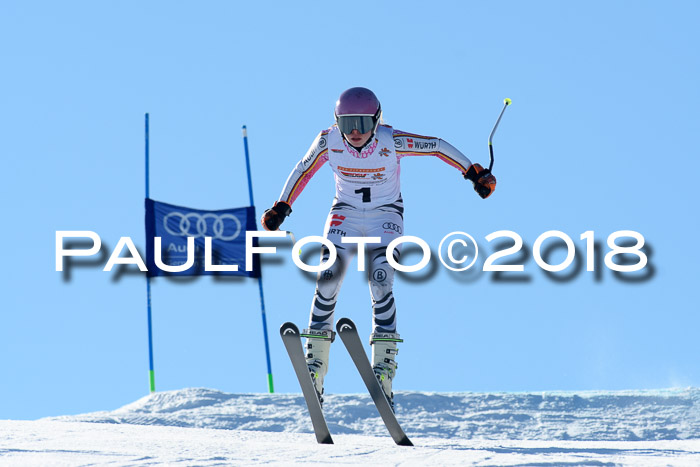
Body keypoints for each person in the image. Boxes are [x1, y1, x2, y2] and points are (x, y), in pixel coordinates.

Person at [262, 87, 496, 410]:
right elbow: (304, 169)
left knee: (380, 278)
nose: (355, 133)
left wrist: (473, 172)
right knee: (328, 277)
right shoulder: (328, 141)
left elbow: (436, 147)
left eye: (361, 123)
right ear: (336, 123)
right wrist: (282, 206)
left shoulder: (391, 141)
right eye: (346, 125)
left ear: (376, 120)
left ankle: (384, 367)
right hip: (344, 213)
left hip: (385, 217)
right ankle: (316, 364)